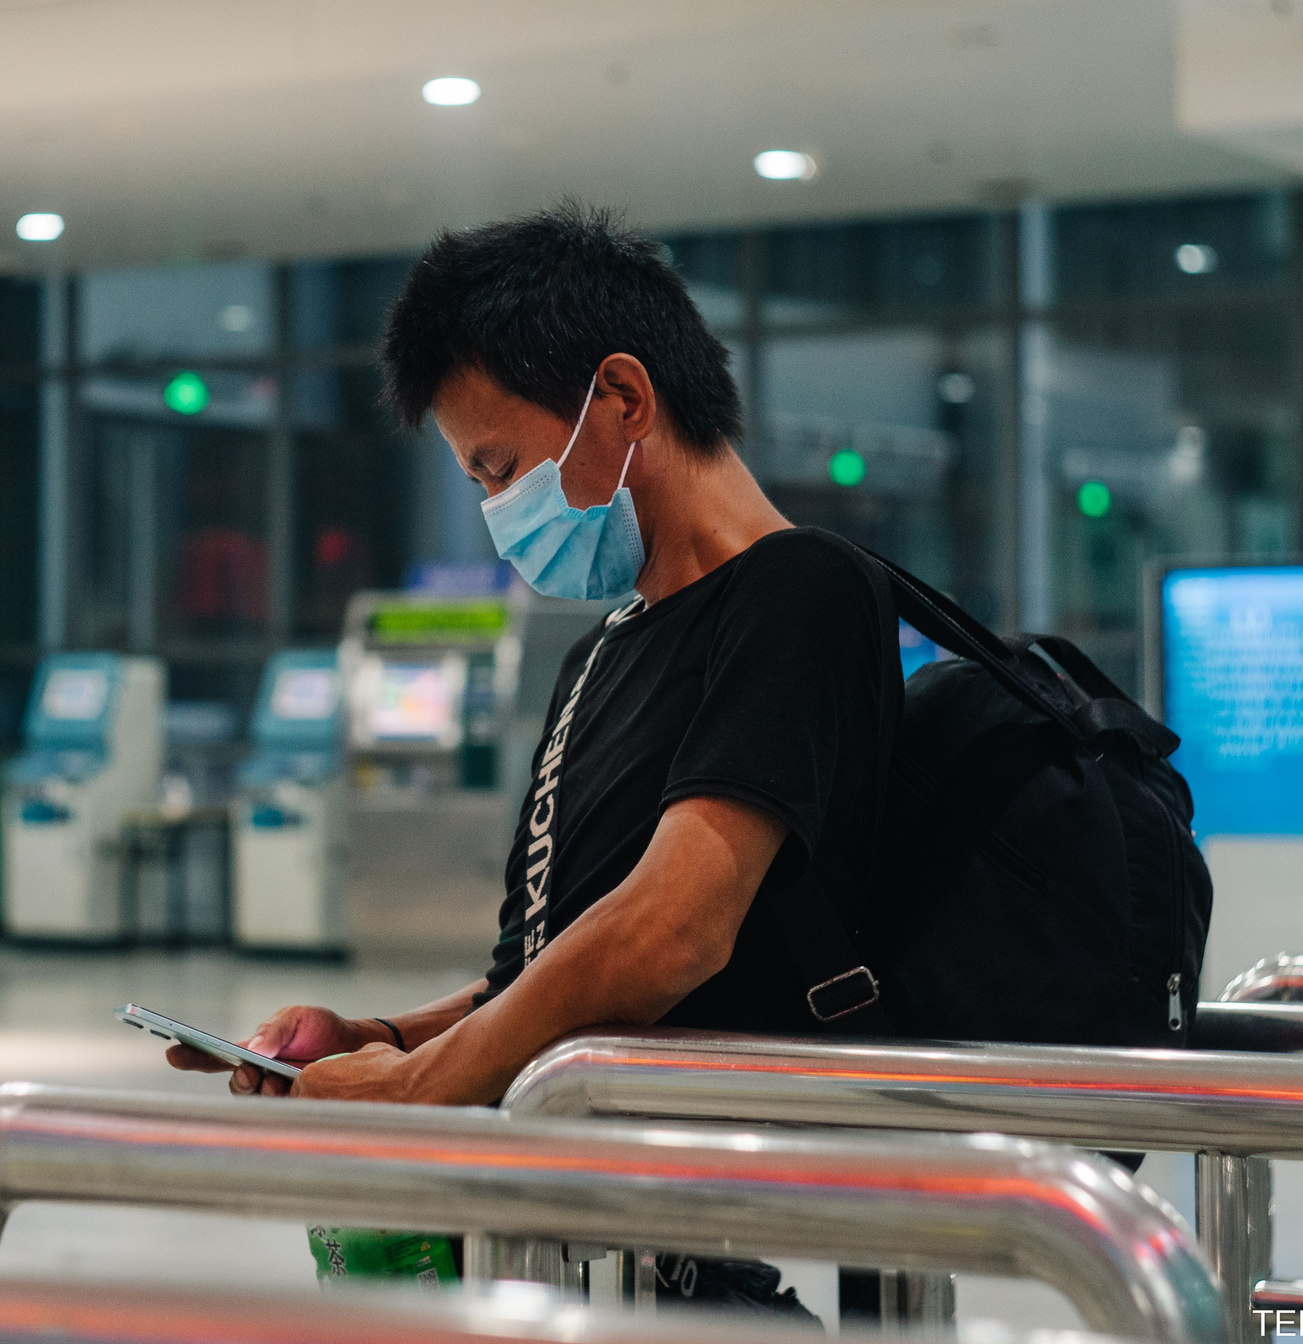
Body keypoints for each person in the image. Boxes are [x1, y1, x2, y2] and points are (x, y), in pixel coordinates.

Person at [166, 199, 900, 1108]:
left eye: (504, 469)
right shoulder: (601, 653)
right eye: (479, 483)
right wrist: (375, 1039)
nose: (499, 511)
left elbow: (672, 932)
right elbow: (543, 980)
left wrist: (417, 1084)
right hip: (575, 1178)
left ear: (625, 399)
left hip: (695, 1203)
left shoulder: (799, 591)